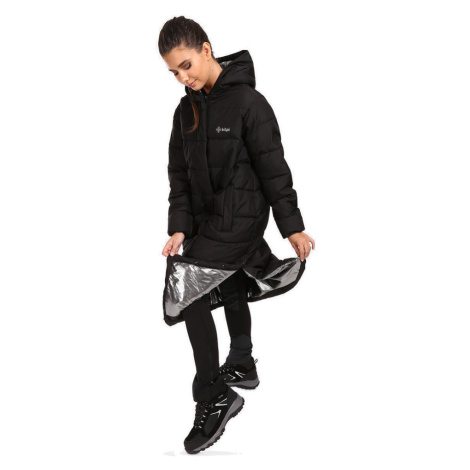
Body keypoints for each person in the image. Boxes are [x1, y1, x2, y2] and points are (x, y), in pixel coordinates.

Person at [158, 16, 315, 454]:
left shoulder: (249, 103)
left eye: (186, 65)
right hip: (207, 221)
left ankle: (213, 395)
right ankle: (242, 361)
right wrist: (179, 226)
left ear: (206, 50)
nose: (182, 78)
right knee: (224, 280)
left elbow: (273, 167)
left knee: (187, 289)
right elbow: (179, 178)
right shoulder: (184, 111)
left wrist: (292, 226)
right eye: (173, 72)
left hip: (242, 217)